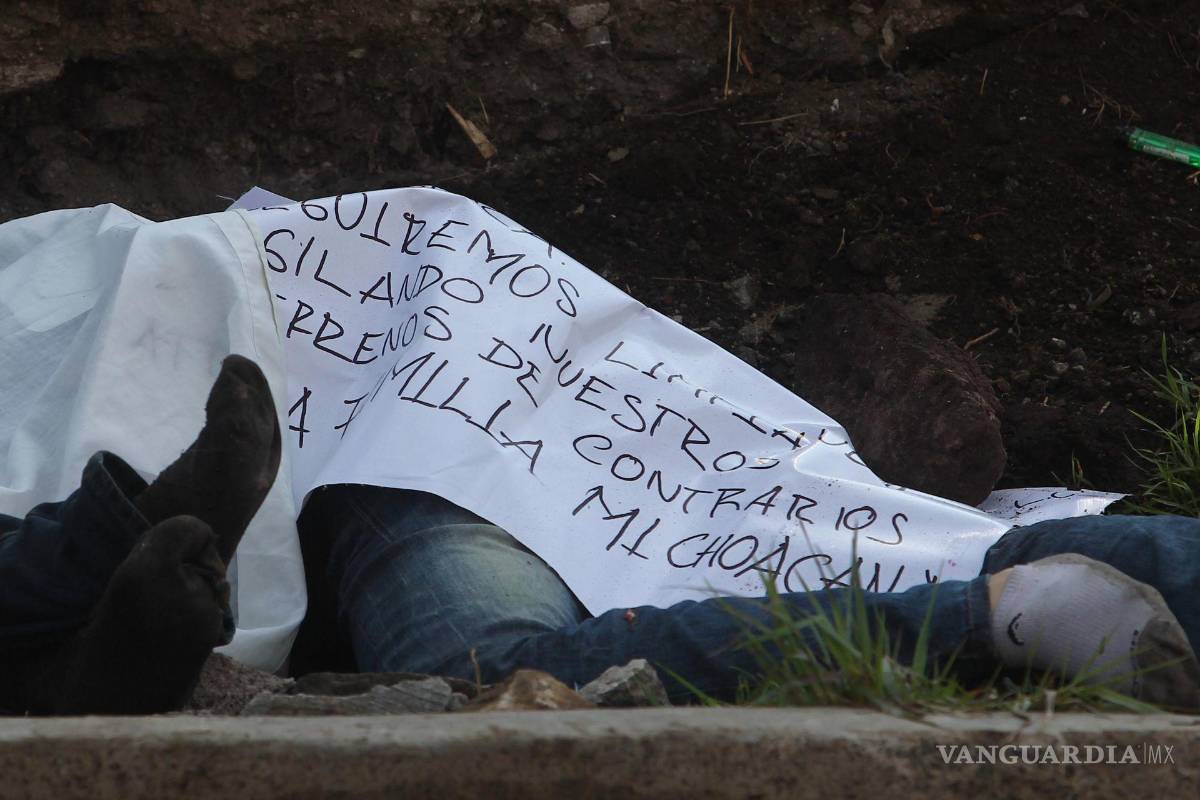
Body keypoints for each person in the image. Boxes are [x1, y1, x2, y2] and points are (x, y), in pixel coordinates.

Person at [1, 357, 1198, 715]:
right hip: (431, 483)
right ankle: (130, 595)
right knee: (492, 679)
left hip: (438, 460)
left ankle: (140, 549)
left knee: (486, 679)